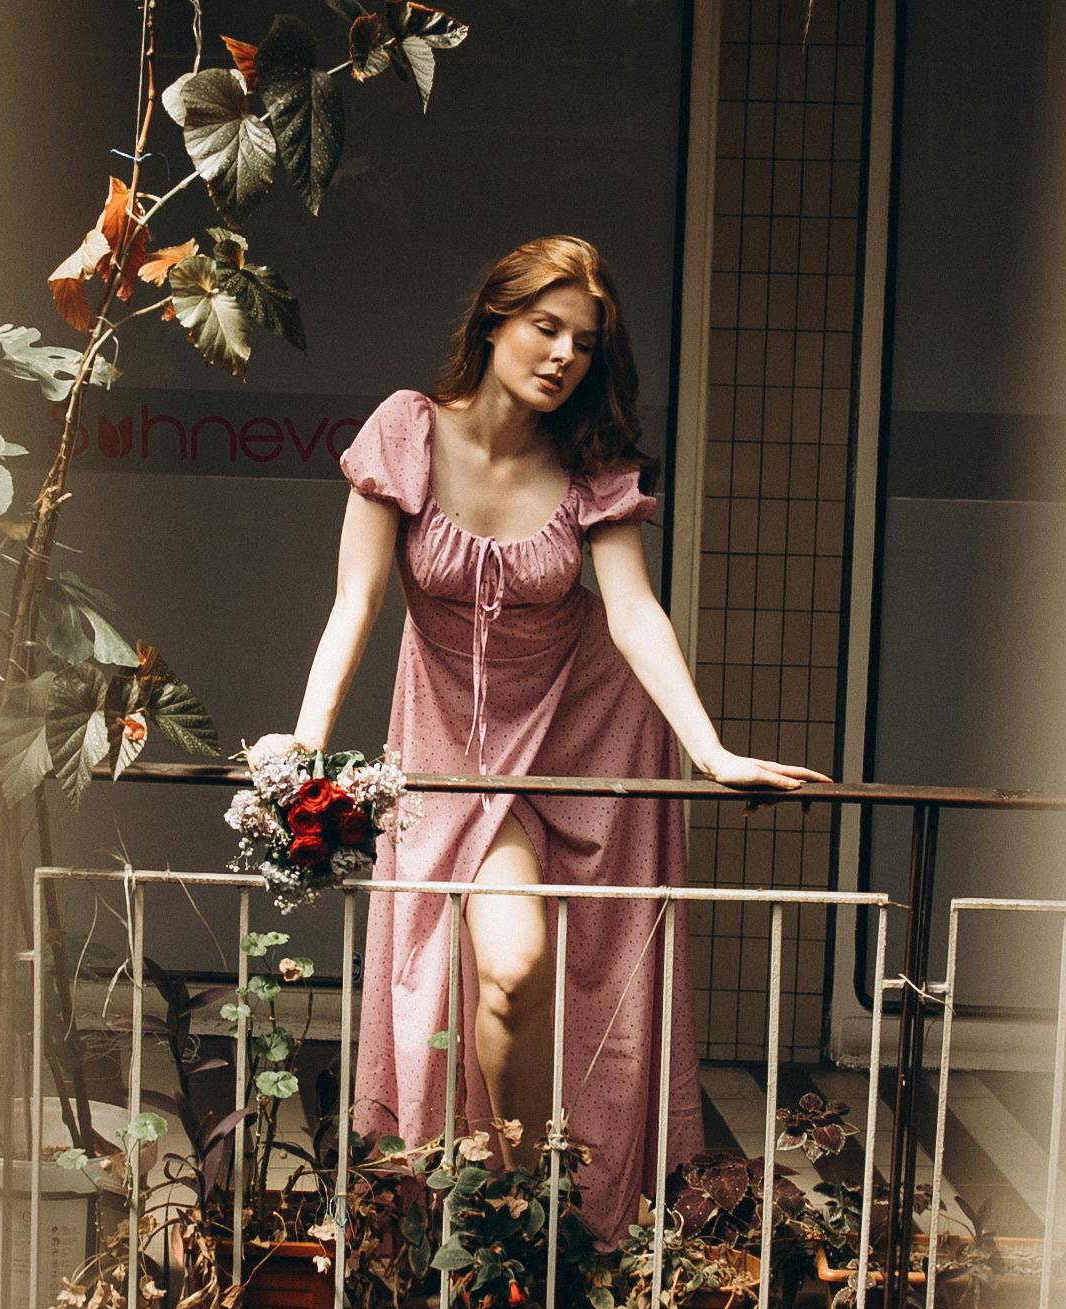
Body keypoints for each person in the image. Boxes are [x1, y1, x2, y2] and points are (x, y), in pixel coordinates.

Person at [284, 232, 826, 1242]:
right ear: (493, 320)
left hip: (585, 740)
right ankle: (516, 1198)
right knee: (508, 971)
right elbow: (354, 605)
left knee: (534, 976)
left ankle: (536, 1205)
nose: (563, 354)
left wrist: (708, 750)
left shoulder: (589, 465)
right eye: (545, 326)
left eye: (585, 340)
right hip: (449, 750)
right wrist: (305, 748)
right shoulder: (406, 432)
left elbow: (633, 613)